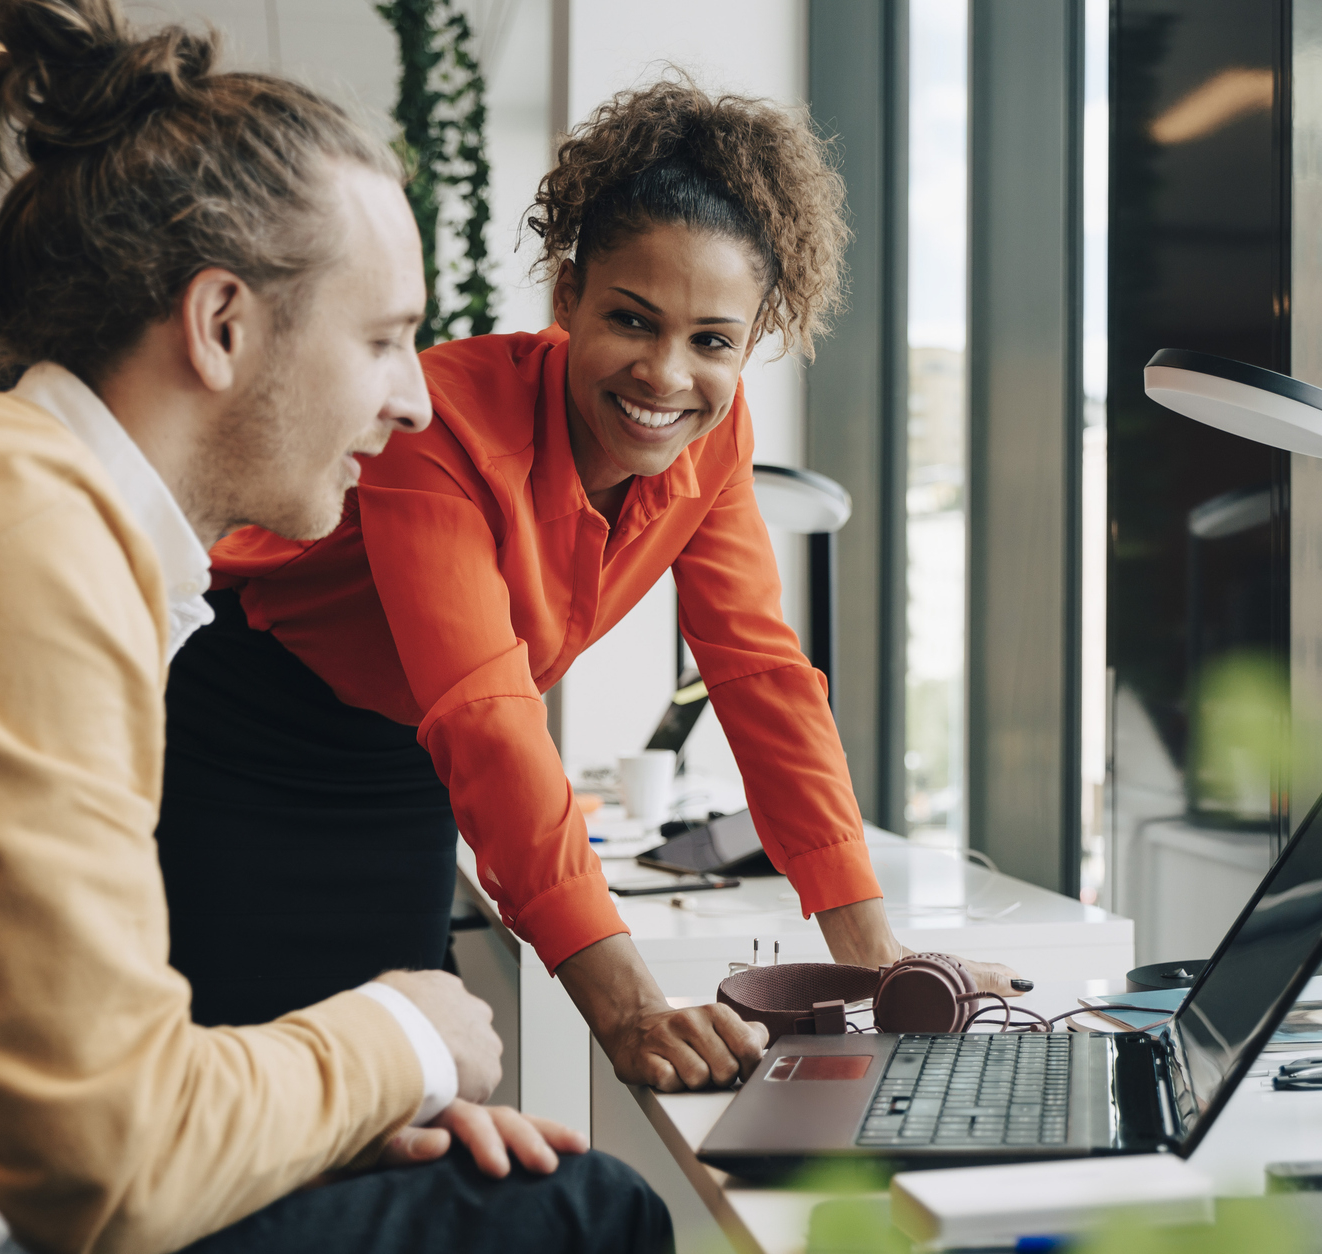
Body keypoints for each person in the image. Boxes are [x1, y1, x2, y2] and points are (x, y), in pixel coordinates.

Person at [0, 0, 667, 1254]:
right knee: (584, 1215)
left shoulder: (43, 514)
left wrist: (330, 1111)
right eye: (385, 338)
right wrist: (403, 1032)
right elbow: (106, 1167)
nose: (411, 396)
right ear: (222, 325)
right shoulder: (15, 536)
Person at [159, 79, 1020, 1090]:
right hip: (245, 726)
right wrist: (627, 1003)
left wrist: (873, 952)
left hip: (402, 760)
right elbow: (484, 708)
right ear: (567, 296)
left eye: (711, 341)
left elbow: (758, 671)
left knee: (397, 1093)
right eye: (630, 319)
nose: (665, 375)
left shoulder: (716, 436)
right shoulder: (438, 423)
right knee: (241, 1084)